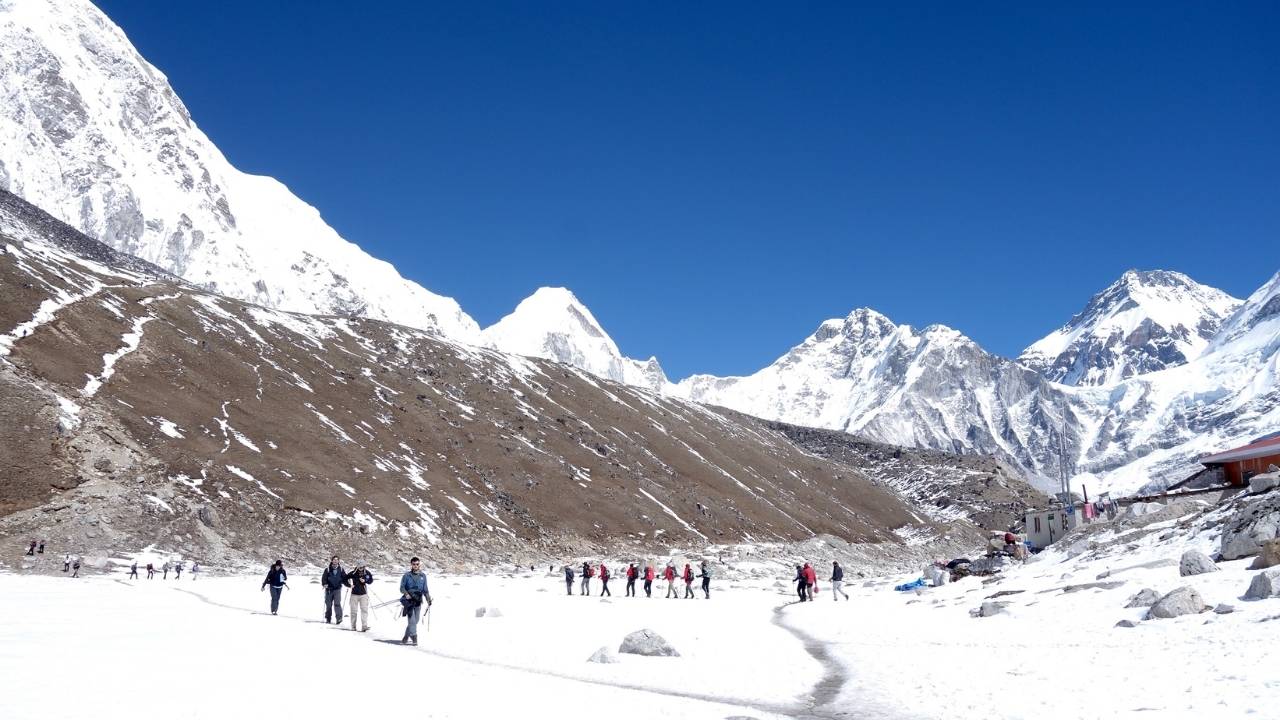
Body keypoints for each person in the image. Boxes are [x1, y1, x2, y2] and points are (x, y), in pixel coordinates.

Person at [399, 557, 431, 645]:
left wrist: (428, 599)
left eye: (417, 564)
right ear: (411, 565)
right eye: (414, 564)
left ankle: (406, 636)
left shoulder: (423, 576)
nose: (415, 566)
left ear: (419, 564)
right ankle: (414, 636)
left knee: (416, 620)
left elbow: (425, 589)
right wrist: (406, 594)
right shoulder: (406, 576)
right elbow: (402, 587)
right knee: (412, 620)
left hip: (418, 601)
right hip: (409, 601)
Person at [346, 562, 373, 632]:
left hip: (363, 594)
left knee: (364, 610)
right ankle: (353, 626)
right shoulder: (353, 573)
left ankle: (364, 626)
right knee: (353, 611)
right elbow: (345, 578)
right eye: (360, 567)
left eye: (363, 567)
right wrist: (349, 585)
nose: (361, 568)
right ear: (357, 567)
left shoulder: (367, 573)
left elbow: (371, 580)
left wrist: (365, 580)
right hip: (354, 594)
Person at [321, 555, 349, 624]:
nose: (335, 561)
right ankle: (328, 618)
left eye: (337, 560)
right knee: (328, 605)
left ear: (338, 561)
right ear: (332, 561)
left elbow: (344, 579)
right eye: (334, 559)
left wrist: (348, 585)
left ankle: (339, 619)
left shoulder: (341, 569)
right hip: (329, 590)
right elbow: (324, 578)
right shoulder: (327, 569)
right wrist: (324, 584)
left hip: (337, 590)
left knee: (337, 604)